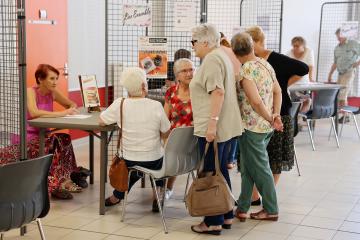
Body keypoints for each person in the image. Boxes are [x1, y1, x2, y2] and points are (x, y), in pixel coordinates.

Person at [0, 64, 87, 200]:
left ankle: (68, 175)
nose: (55, 82)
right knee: (51, 145)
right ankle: (56, 185)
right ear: (40, 79)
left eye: (56, 78)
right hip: (26, 137)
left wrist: (72, 108)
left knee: (64, 138)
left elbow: (71, 104)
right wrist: (64, 113)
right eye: (52, 78)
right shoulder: (30, 91)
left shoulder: (53, 92)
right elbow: (34, 113)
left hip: (43, 135)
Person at [189, 23, 243, 235]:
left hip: (215, 127)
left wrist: (211, 125)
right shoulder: (221, 55)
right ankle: (226, 215)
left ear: (204, 41)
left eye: (194, 41)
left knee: (211, 172)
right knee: (220, 172)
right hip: (228, 124)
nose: (192, 46)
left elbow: (217, 92)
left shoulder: (211, 59)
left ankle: (212, 222)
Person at [245, 26, 309, 205]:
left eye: (251, 43)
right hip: (257, 115)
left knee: (275, 158)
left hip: (278, 113)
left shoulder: (276, 59)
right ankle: (254, 196)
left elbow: (303, 68)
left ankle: (268, 197)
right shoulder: (250, 61)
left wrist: (285, 82)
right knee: (257, 158)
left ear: (258, 41)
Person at [100, 67, 171, 213]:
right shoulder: (156, 105)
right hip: (153, 158)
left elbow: (102, 121)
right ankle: (157, 196)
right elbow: (166, 131)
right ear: (144, 86)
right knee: (157, 163)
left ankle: (117, 196)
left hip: (128, 158)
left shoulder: (120, 103)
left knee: (133, 168)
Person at [231, 32, 283, 221]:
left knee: (260, 169)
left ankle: (271, 209)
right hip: (264, 127)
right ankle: (243, 207)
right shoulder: (266, 64)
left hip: (252, 128)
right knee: (248, 168)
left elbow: (255, 102)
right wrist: (275, 115)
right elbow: (278, 91)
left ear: (235, 52)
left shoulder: (246, 71)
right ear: (253, 46)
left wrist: (271, 118)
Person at [163, 58, 194, 200]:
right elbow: (165, 117)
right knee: (168, 153)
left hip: (194, 139)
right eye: (184, 71)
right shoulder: (171, 92)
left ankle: (198, 191)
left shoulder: (200, 91)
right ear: (177, 75)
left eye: (191, 69)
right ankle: (166, 188)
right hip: (174, 140)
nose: (189, 73)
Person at [220, 32, 242, 169]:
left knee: (224, 126)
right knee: (235, 127)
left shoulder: (218, 53)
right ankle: (231, 158)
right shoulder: (234, 52)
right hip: (238, 91)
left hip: (225, 91)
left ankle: (223, 159)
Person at [328, 28, 360, 111]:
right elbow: (335, 63)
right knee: (339, 94)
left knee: (343, 94)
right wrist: (330, 74)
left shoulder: (353, 43)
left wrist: (357, 63)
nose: (338, 37)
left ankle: (344, 115)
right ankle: (343, 114)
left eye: (340, 35)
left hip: (349, 72)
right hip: (340, 73)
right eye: (337, 36)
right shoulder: (337, 48)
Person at [287, 36, 314, 113]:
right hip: (292, 81)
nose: (295, 48)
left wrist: (311, 78)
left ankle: (298, 116)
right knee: (292, 99)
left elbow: (311, 66)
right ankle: (294, 116)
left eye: (297, 46)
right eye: (293, 46)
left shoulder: (309, 51)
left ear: (303, 46)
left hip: (304, 82)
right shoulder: (289, 53)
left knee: (307, 100)